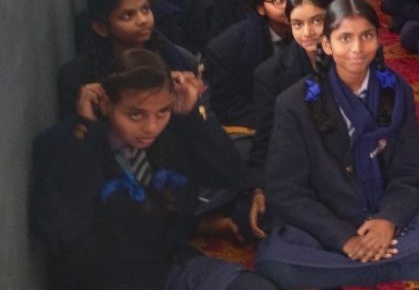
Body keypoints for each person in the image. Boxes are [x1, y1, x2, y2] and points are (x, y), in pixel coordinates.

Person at [255, 0, 419, 289]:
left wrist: (388, 219)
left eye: (366, 36)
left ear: (378, 39)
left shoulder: (397, 90)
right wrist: (343, 238)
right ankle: (408, 265)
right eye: (345, 38)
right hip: (330, 210)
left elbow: (409, 170)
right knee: (275, 265)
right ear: (326, 45)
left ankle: (352, 265)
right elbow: (286, 190)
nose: (357, 49)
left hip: (385, 201)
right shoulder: (295, 103)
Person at [32, 49, 275, 290]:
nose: (151, 127)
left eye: (162, 112)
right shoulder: (68, 143)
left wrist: (191, 116)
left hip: (169, 266)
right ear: (106, 104)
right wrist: (87, 130)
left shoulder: (170, 136)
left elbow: (228, 174)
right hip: (104, 279)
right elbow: (62, 228)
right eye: (135, 115)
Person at [247, 0, 336, 239]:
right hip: (305, 164)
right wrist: (258, 188)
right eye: (297, 24)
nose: (307, 32)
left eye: (317, 21)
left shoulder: (354, 56)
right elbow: (266, 137)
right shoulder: (270, 73)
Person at [57, 0, 197, 119]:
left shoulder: (172, 59)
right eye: (127, 16)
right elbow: (70, 130)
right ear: (101, 27)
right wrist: (87, 121)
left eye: (145, 9)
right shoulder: (75, 76)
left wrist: (187, 108)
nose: (143, 20)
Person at [204, 0, 301, 129]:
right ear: (260, 7)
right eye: (279, 0)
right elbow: (229, 108)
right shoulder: (224, 49)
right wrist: (283, 120)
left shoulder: (314, 35)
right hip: (258, 124)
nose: (290, 7)